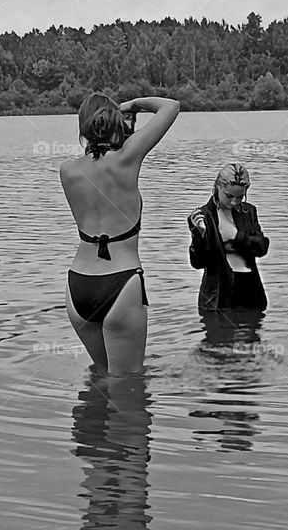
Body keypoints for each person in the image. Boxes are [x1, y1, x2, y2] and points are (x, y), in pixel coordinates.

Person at [61, 93, 180, 373]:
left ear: (82, 128)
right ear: (116, 121)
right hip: (121, 282)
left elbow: (96, 160)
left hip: (78, 285)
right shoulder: (128, 157)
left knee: (102, 377)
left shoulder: (67, 171)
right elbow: (171, 106)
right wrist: (132, 105)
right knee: (128, 387)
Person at [187, 161, 270, 313]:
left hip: (251, 291)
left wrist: (237, 236)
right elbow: (198, 263)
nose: (234, 202)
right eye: (229, 196)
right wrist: (200, 236)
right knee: (218, 335)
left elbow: (261, 248)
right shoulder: (202, 216)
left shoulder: (249, 211)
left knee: (253, 333)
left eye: (240, 197)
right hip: (218, 296)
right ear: (218, 186)